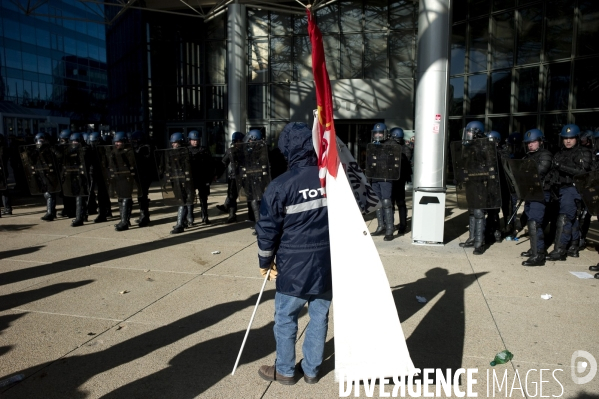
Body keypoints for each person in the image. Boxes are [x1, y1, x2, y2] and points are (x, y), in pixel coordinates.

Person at [256, 121, 331, 385]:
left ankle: (285, 370)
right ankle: (311, 370)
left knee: (286, 318)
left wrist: (265, 262)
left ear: (287, 149)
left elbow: (266, 230)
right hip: (326, 264)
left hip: (293, 265)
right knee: (319, 317)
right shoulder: (331, 180)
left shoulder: (281, 185)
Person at [547, 124, 593, 260]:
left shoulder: (584, 152)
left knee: (565, 218)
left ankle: (560, 249)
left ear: (577, 138)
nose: (568, 141)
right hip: (560, 188)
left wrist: (561, 167)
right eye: (565, 138)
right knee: (571, 218)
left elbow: (583, 172)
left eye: (571, 138)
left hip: (573, 188)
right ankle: (573, 246)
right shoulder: (560, 153)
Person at [519, 129, 553, 266]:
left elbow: (540, 171)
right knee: (531, 220)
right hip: (530, 192)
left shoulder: (545, 155)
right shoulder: (527, 156)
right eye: (528, 143)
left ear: (540, 141)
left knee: (535, 221)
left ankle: (538, 255)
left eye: (533, 142)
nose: (530, 145)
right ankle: (536, 249)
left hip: (541, 192)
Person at [458, 121, 488, 255]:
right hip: (470, 183)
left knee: (478, 213)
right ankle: (472, 238)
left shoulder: (485, 148)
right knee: (471, 211)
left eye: (469, 132)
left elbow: (488, 168)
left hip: (480, 184)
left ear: (476, 133)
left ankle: (479, 243)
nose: (467, 134)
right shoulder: (468, 148)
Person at [368, 122, 395, 241]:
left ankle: (390, 228)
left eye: (380, 133)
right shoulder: (372, 145)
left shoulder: (391, 144)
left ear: (385, 133)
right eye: (376, 133)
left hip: (386, 177)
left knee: (386, 202)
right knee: (378, 202)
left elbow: (394, 160)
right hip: (375, 177)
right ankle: (381, 226)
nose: (378, 135)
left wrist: (382, 149)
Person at [216, 131, 245, 223]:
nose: (239, 143)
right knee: (232, 195)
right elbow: (223, 163)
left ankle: (252, 215)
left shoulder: (246, 150)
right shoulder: (230, 151)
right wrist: (217, 175)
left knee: (250, 196)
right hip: (234, 177)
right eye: (237, 141)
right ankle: (232, 215)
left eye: (240, 141)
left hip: (245, 176)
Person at [169, 132, 194, 234]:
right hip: (176, 180)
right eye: (172, 143)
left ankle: (180, 225)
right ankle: (183, 222)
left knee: (182, 202)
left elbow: (187, 167)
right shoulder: (172, 153)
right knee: (182, 201)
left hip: (184, 181)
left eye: (175, 143)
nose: (173, 145)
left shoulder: (185, 152)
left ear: (180, 142)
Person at [187, 130, 215, 225]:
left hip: (202, 178)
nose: (195, 142)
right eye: (193, 140)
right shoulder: (186, 150)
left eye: (197, 140)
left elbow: (210, 164)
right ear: (190, 140)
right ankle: (190, 218)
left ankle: (205, 216)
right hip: (191, 178)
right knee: (190, 199)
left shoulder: (204, 150)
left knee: (203, 198)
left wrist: (211, 177)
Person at [389, 127, 412, 235]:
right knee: (392, 203)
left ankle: (402, 226)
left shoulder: (405, 148)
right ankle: (392, 224)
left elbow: (404, 162)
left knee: (400, 203)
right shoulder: (402, 147)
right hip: (392, 178)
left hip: (399, 178)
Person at [131, 131, 152, 227]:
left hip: (145, 175)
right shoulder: (134, 148)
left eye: (135, 140)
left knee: (142, 196)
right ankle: (144, 215)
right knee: (140, 196)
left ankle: (144, 216)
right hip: (137, 175)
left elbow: (147, 159)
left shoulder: (146, 148)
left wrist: (138, 153)